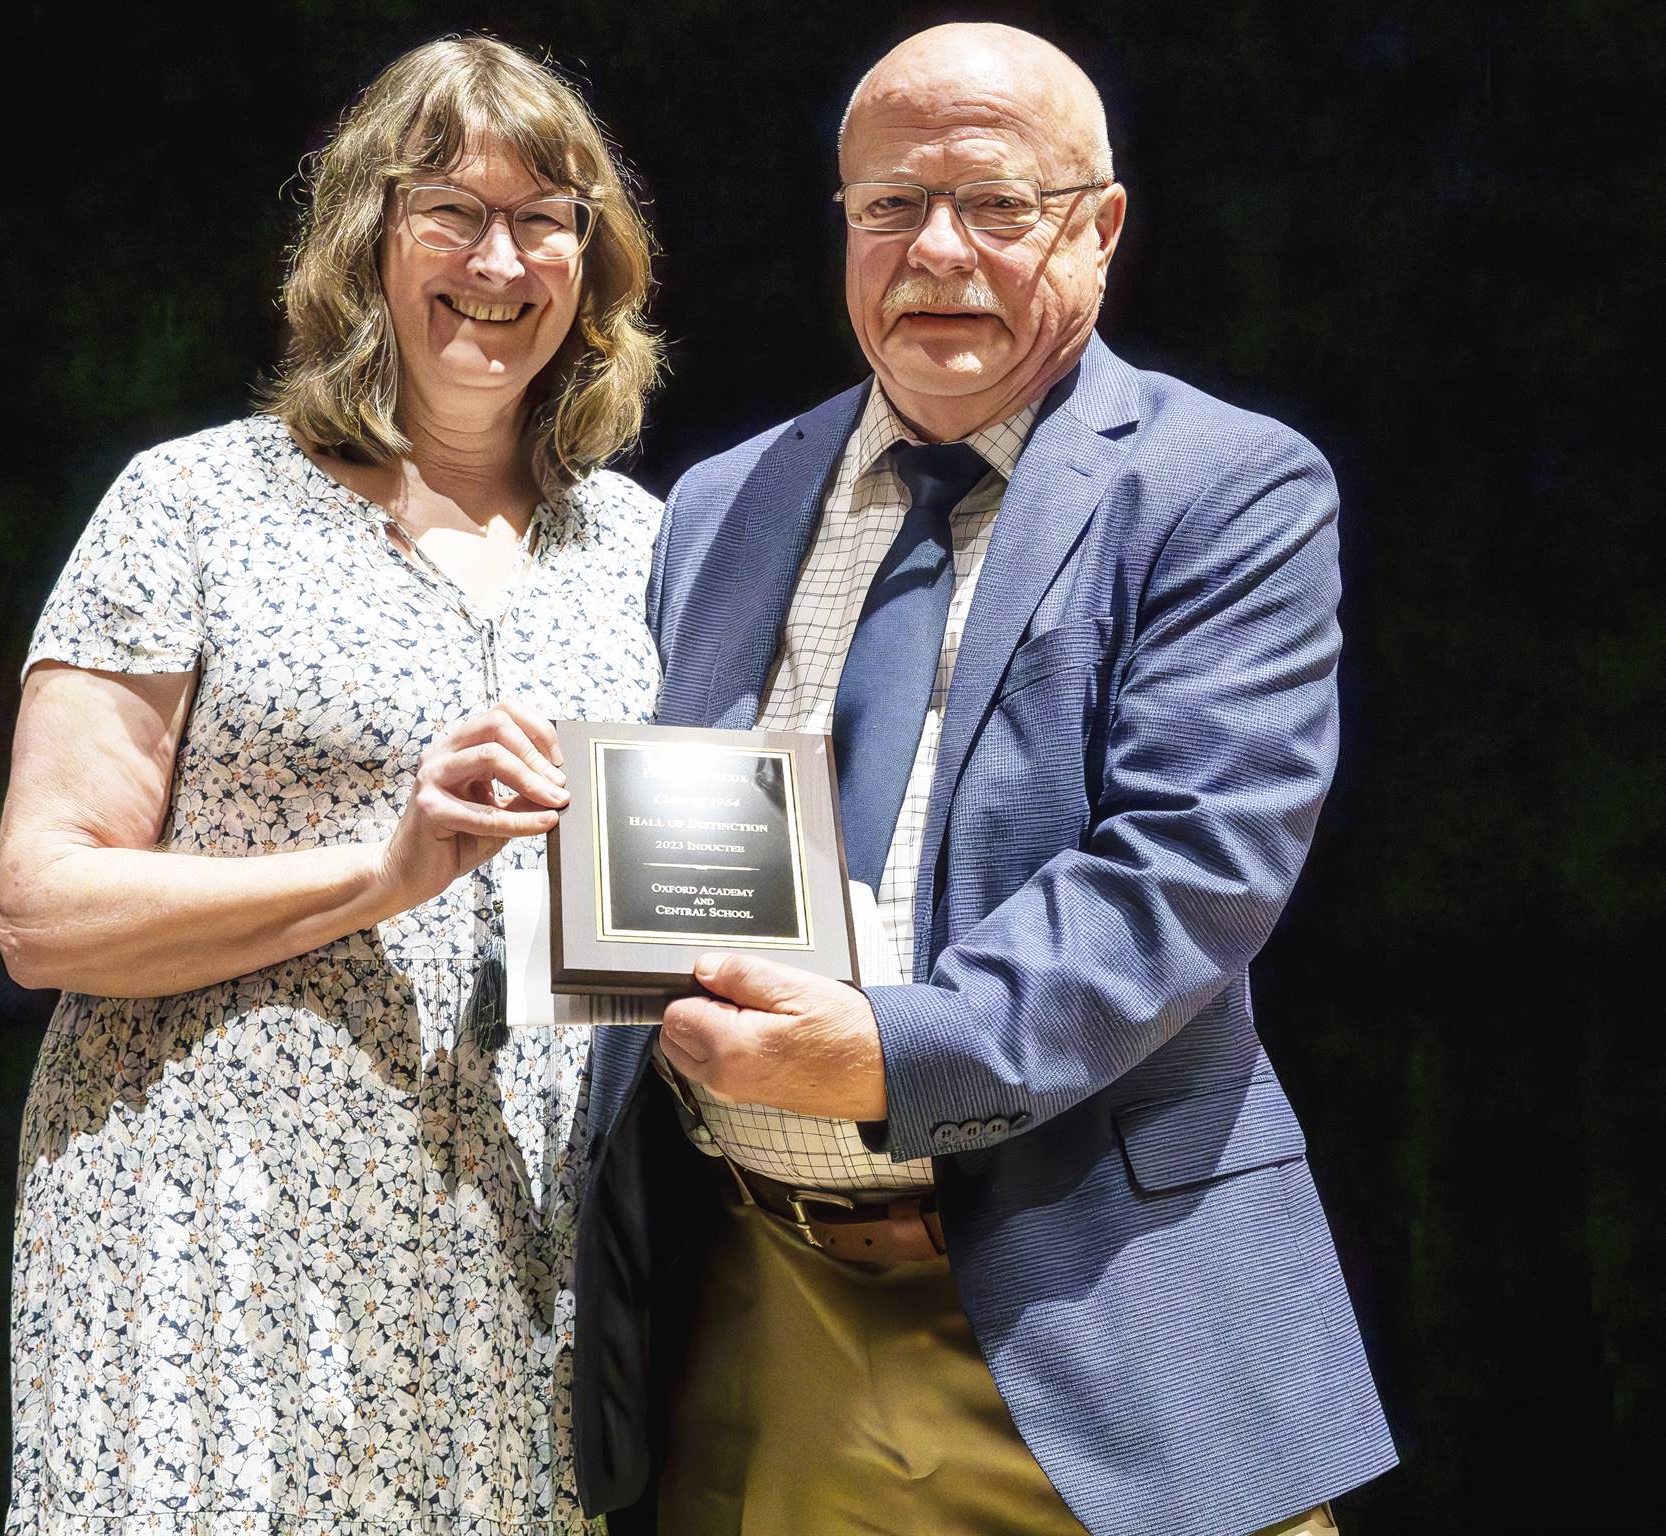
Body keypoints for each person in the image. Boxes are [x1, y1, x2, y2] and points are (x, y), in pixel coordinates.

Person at [574, 23, 1394, 1536]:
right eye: (888, 206)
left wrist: (891, 1051)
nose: (935, 250)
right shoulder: (719, 500)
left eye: (995, 205)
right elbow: (678, 843)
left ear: (1099, 225)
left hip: (1099, 1315)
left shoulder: (1223, 486)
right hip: (761, 1314)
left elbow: (1190, 874)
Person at [0, 36, 661, 1536]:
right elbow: (43, 910)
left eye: (545, 218)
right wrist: (382, 870)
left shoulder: (640, 547)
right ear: (366, 239)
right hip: (214, 1237)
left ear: (592, 264)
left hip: (517, 1256)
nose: (502, 258)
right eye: (453, 211)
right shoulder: (194, 503)